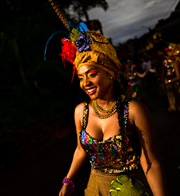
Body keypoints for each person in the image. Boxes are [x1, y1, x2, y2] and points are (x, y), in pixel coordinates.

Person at [50, 22, 167, 195]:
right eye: (81, 77)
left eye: (92, 74)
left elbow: (150, 162)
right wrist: (68, 181)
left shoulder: (133, 110)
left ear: (109, 73)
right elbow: (80, 150)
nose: (85, 83)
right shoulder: (81, 112)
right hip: (94, 189)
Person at [162, 43, 180, 112]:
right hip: (171, 81)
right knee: (171, 94)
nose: (168, 54)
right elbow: (164, 71)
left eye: (169, 51)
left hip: (175, 82)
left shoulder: (176, 62)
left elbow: (178, 77)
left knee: (176, 95)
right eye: (167, 52)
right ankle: (173, 106)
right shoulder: (166, 61)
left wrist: (169, 81)